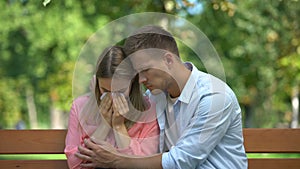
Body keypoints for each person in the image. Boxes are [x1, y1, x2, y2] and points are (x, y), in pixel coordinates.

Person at [75, 26, 248, 168]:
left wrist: (115, 160)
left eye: (145, 70)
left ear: (168, 60)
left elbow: (182, 160)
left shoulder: (214, 97)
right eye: (137, 73)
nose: (141, 80)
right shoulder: (156, 96)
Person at [65, 46, 159, 169]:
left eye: (120, 91)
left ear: (132, 83)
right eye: (105, 90)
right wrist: (105, 125)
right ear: (96, 82)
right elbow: (75, 165)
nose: (112, 98)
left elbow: (142, 165)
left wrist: (119, 127)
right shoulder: (80, 106)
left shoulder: (148, 111)